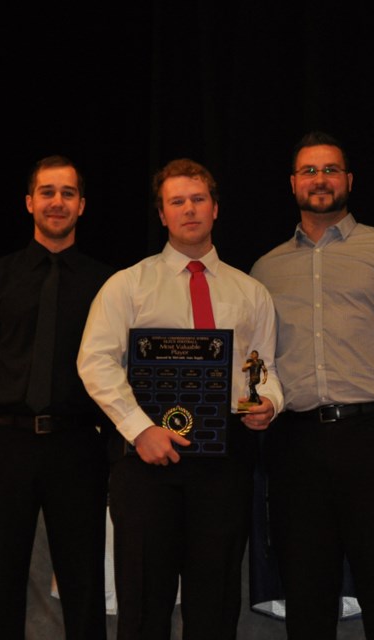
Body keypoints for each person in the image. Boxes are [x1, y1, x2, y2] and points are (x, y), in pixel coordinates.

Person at [76, 158, 283, 640]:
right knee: (144, 599)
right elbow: (95, 362)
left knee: (215, 602)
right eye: (177, 202)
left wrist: (269, 401)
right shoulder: (127, 285)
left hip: (224, 458)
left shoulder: (250, 291)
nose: (189, 209)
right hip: (145, 457)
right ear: (162, 214)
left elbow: (266, 367)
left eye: (198, 199)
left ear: (215, 208)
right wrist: (140, 429)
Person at [250, 131, 374, 639]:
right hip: (296, 444)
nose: (320, 179)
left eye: (330, 170)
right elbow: (257, 361)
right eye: (309, 171)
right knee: (307, 596)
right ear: (293, 183)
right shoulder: (265, 270)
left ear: (349, 180)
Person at [0, 155, 113, 640]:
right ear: (29, 202)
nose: (56, 202)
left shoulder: (107, 283)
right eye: (47, 192)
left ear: (82, 205)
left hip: (78, 446)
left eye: (67, 193)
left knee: (84, 585)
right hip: (5, 446)